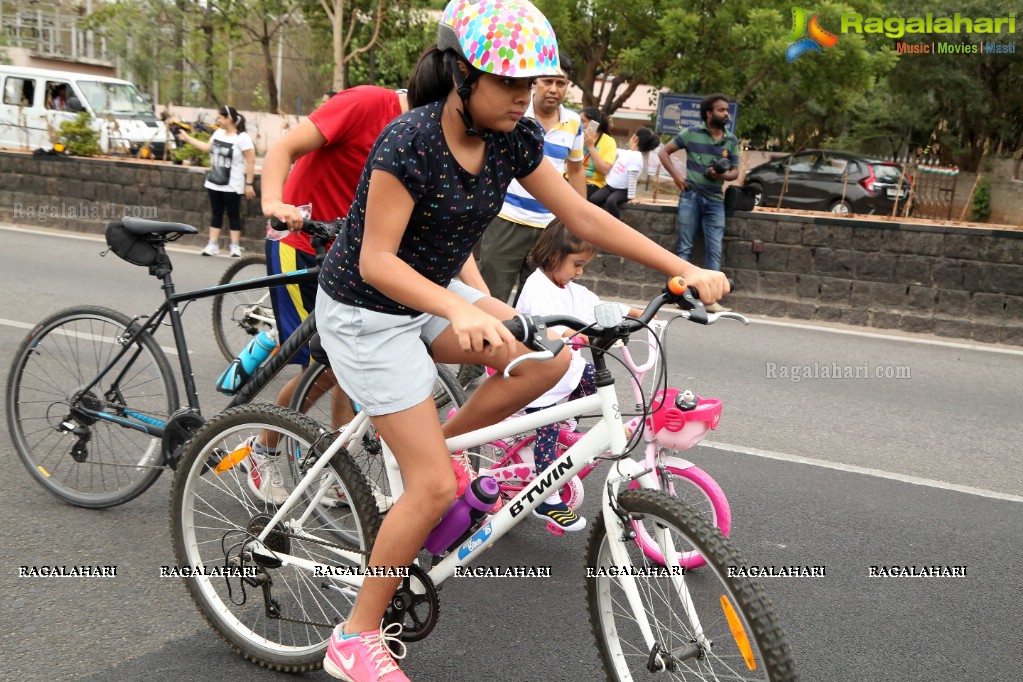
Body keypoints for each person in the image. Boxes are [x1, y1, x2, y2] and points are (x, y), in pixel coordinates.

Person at [315, 1, 728, 679]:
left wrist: (682, 268)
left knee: (548, 362)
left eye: (529, 82)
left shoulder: (513, 140)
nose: (524, 95)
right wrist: (461, 305)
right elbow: (376, 262)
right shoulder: (408, 141)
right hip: (366, 311)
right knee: (429, 487)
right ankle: (354, 636)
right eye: (508, 82)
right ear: (460, 76)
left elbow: (581, 215)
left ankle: (430, 453)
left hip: (433, 299)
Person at [252, 85, 412, 504]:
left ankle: (335, 470)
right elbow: (283, 148)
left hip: (348, 255)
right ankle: (263, 450)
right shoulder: (367, 104)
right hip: (300, 242)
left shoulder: (425, 132)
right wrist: (273, 201)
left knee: (347, 361)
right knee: (326, 367)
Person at [514, 221, 644, 531]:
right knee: (546, 434)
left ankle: (566, 418)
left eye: (584, 265)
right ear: (553, 255)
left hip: (564, 371)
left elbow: (596, 305)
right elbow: (546, 324)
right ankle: (546, 498)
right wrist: (570, 333)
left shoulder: (568, 288)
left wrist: (634, 313)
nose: (580, 272)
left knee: (593, 378)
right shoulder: (537, 286)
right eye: (577, 264)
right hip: (538, 378)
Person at [477, 57, 585, 305]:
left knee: (538, 304)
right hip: (506, 219)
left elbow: (576, 171)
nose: (554, 89)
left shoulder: (574, 123)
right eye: (548, 81)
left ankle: (527, 346)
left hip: (550, 227)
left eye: (561, 83)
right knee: (491, 296)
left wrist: (577, 223)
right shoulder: (513, 115)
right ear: (534, 82)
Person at [656, 93, 740, 312]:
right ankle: (680, 296)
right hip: (690, 196)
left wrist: (720, 175)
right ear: (709, 113)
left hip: (715, 199)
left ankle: (710, 300)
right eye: (721, 110)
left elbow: (735, 172)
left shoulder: (730, 139)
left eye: (727, 110)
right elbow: (664, 151)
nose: (726, 114)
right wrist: (677, 177)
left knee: (715, 249)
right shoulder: (691, 133)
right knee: (685, 247)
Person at [176, 105, 256, 257]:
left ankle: (235, 246)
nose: (217, 120)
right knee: (216, 213)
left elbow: (251, 161)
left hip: (233, 184)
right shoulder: (218, 133)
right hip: (214, 182)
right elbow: (207, 148)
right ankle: (212, 244)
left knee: (233, 214)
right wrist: (187, 138)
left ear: (229, 119)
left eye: (219, 117)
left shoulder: (242, 138)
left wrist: (249, 184)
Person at [588, 126, 659, 219]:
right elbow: (614, 151)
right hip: (609, 187)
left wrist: (632, 197)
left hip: (622, 191)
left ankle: (617, 224)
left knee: (611, 202)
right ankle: (595, 220)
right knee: (593, 199)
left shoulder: (637, 158)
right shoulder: (627, 153)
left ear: (635, 139)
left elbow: (632, 178)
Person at [580, 106, 617, 199]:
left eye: (582, 121)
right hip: (570, 178)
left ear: (594, 124)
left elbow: (604, 170)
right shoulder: (576, 136)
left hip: (592, 183)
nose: (578, 124)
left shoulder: (608, 142)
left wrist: (591, 147)